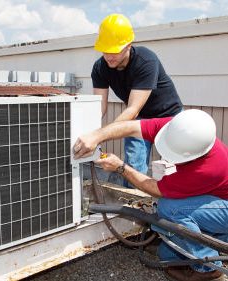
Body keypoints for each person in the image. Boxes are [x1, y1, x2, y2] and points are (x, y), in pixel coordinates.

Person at [73, 109, 228, 281]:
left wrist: (120, 167)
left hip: (225, 209)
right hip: (214, 199)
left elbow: (156, 189)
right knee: (166, 255)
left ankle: (209, 269)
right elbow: (131, 127)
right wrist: (96, 136)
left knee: (170, 209)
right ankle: (209, 241)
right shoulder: (179, 128)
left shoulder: (210, 168)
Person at [92, 13, 183, 186]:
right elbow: (99, 107)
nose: (109, 56)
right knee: (133, 168)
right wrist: (90, 132)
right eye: (105, 50)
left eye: (115, 51)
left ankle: (174, 207)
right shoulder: (100, 67)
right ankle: (133, 209)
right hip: (140, 119)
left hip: (170, 117)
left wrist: (100, 135)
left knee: (175, 169)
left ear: (128, 45)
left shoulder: (146, 60)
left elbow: (132, 108)